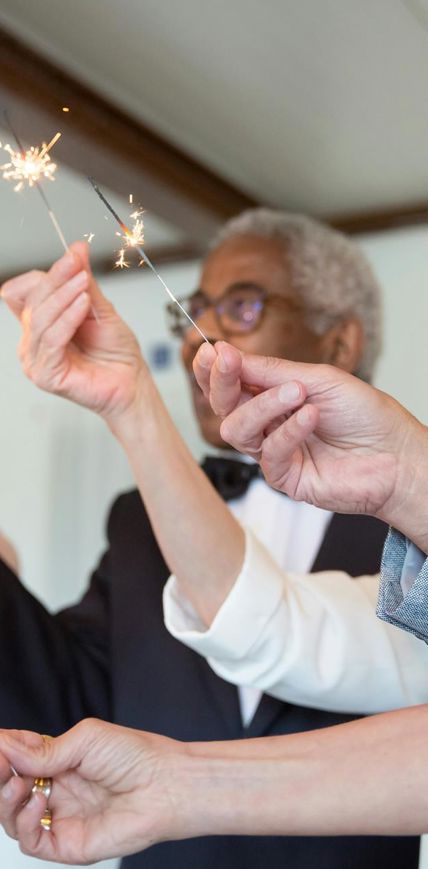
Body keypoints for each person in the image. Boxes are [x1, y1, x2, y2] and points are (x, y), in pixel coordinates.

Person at [0, 209, 426, 868]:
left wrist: (405, 469)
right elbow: (263, 623)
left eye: (245, 305)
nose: (210, 334)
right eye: (199, 309)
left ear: (340, 345)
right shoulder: (139, 520)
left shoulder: (402, 542)